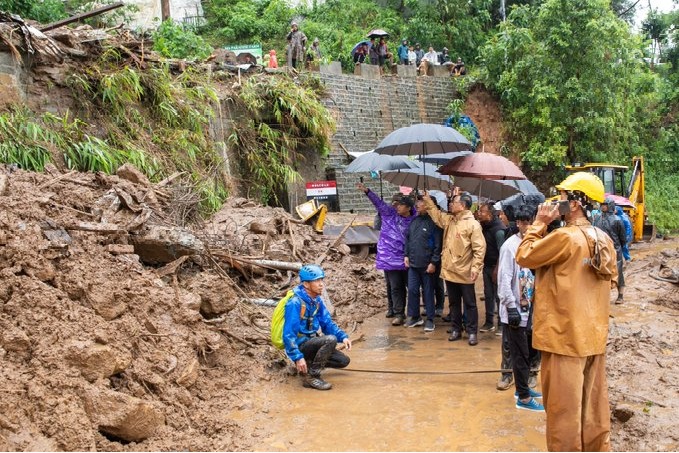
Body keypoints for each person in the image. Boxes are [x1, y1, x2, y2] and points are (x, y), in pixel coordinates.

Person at [515, 172, 618, 451]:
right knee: (593, 410)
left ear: (574, 204)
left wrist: (539, 223)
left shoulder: (565, 238)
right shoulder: (603, 239)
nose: (555, 202)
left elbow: (524, 255)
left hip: (564, 340)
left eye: (561, 197)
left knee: (563, 414)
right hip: (593, 339)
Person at [423, 190, 485, 346]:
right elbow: (436, 215)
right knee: (453, 302)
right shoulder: (450, 220)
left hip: (465, 271)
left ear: (463, 205)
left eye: (454, 202)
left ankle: (471, 331)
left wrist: (475, 268)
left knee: (470, 303)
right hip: (450, 270)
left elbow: (479, 248)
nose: (451, 204)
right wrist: (427, 200)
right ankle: (456, 329)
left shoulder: (473, 224)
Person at [497, 206, 544, 412]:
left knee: (529, 351)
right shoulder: (510, 247)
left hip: (531, 308)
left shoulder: (536, 245)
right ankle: (523, 398)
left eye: (531, 222)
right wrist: (510, 306)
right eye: (524, 223)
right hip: (515, 310)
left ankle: (521, 388)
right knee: (519, 353)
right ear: (518, 224)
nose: (528, 227)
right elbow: (504, 279)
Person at [283, 264, 352, 390]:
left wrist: (343, 337)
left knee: (343, 361)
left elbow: (327, 324)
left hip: (311, 342)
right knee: (330, 340)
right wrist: (297, 357)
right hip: (300, 345)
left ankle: (309, 364)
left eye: (321, 280)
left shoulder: (317, 301)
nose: (321, 284)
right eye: (317, 280)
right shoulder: (295, 303)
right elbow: (288, 335)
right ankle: (311, 376)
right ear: (306, 284)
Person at [358, 183, 415, 325]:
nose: (396, 207)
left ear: (408, 208)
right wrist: (367, 191)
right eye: (396, 204)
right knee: (395, 287)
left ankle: (413, 314)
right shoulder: (389, 214)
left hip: (408, 258)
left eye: (400, 205)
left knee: (412, 288)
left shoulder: (414, 220)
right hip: (391, 258)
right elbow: (378, 202)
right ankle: (399, 314)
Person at [404, 197, 443, 332]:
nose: (417, 205)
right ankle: (415, 316)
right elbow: (408, 240)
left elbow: (438, 245)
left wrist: (434, 262)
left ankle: (430, 319)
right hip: (413, 264)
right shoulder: (414, 221)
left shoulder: (434, 223)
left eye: (421, 202)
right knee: (413, 290)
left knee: (428, 292)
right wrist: (406, 255)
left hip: (427, 265)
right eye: (417, 202)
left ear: (427, 205)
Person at [477, 202, 506, 333]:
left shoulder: (499, 230)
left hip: (496, 267)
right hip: (487, 265)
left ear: (489, 214)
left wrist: (497, 270)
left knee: (499, 296)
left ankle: (501, 323)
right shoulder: (484, 226)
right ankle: (489, 322)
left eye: (482, 211)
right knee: (488, 294)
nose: (479, 213)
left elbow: (502, 252)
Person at [593, 198, 627, 303]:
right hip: (601, 249)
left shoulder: (617, 220)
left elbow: (623, 238)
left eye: (605, 204)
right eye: (602, 204)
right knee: (600, 271)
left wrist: (619, 249)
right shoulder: (597, 218)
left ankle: (620, 295)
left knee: (618, 272)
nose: (603, 206)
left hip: (615, 249)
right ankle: (601, 296)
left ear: (610, 206)